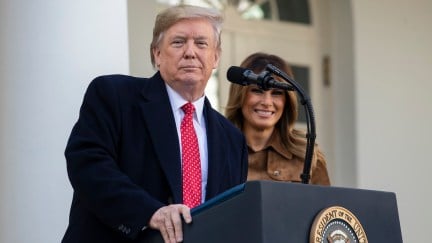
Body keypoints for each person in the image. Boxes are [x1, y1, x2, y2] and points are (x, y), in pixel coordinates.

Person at [62, 5, 248, 243]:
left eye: (201, 43)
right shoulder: (114, 96)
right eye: (179, 42)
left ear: (216, 57)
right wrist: (149, 212)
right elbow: (88, 166)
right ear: (157, 54)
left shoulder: (232, 138)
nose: (190, 52)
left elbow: (230, 213)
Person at [225, 52, 330, 185]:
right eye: (257, 91)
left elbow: (326, 206)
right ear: (240, 94)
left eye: (277, 93)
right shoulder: (216, 150)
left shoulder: (308, 156)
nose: (267, 102)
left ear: (287, 101)